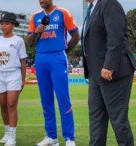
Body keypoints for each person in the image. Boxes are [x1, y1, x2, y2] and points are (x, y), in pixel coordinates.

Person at [81, 0, 136, 145]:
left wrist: (109, 65)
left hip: (114, 72)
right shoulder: (92, 8)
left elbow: (116, 36)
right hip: (95, 74)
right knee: (96, 121)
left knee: (118, 121)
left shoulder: (109, 3)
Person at [26, 0, 80, 145]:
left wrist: (64, 51)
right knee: (46, 99)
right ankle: (51, 137)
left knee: (63, 98)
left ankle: (69, 138)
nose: (42, 1)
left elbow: (76, 36)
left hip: (57, 57)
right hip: (40, 57)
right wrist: (36, 32)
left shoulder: (63, 12)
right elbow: (29, 41)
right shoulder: (35, 16)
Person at [0, 12, 27, 146]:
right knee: (2, 106)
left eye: (7, 23)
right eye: (2, 23)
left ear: (13, 25)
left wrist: (23, 79)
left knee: (11, 104)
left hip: (13, 74)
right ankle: (6, 131)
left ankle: (12, 136)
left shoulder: (18, 40)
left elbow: (23, 61)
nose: (3, 26)